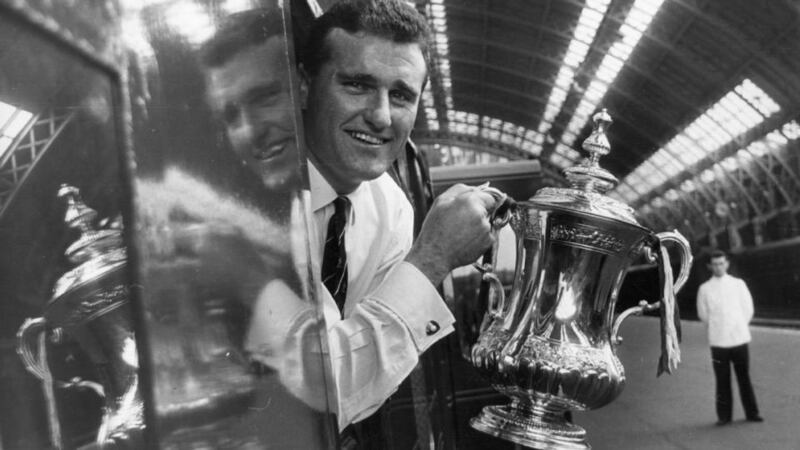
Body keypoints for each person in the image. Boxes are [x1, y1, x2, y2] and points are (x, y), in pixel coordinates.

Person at [196, 0, 501, 439]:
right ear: (304, 86)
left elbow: (362, 391)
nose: (380, 116)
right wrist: (432, 258)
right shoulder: (256, 200)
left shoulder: (391, 208)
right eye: (358, 85)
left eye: (401, 95)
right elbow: (324, 392)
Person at [696, 250, 763, 425]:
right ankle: (724, 417)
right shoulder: (704, 289)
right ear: (710, 266)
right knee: (722, 379)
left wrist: (738, 325)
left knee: (744, 377)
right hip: (718, 341)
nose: (718, 267)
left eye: (721, 263)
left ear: (727, 264)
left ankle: (752, 413)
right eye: (715, 264)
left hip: (739, 338)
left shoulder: (738, 284)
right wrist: (719, 325)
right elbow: (703, 314)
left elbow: (748, 308)